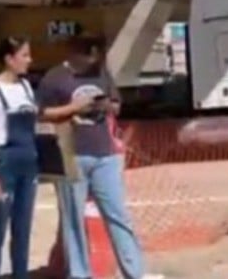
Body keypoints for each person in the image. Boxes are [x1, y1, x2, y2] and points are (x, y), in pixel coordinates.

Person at [38, 39, 157, 279]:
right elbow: (42, 113)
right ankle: (80, 274)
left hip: (105, 155)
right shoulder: (55, 77)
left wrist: (107, 106)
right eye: (89, 56)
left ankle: (134, 272)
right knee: (73, 219)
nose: (94, 61)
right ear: (74, 53)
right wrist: (74, 108)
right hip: (71, 154)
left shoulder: (101, 73)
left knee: (118, 216)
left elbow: (116, 104)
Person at [0, 36, 39, 279]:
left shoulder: (25, 87)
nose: (29, 61)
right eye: (24, 55)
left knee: (22, 230)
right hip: (3, 163)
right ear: (9, 59)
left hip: (27, 162)